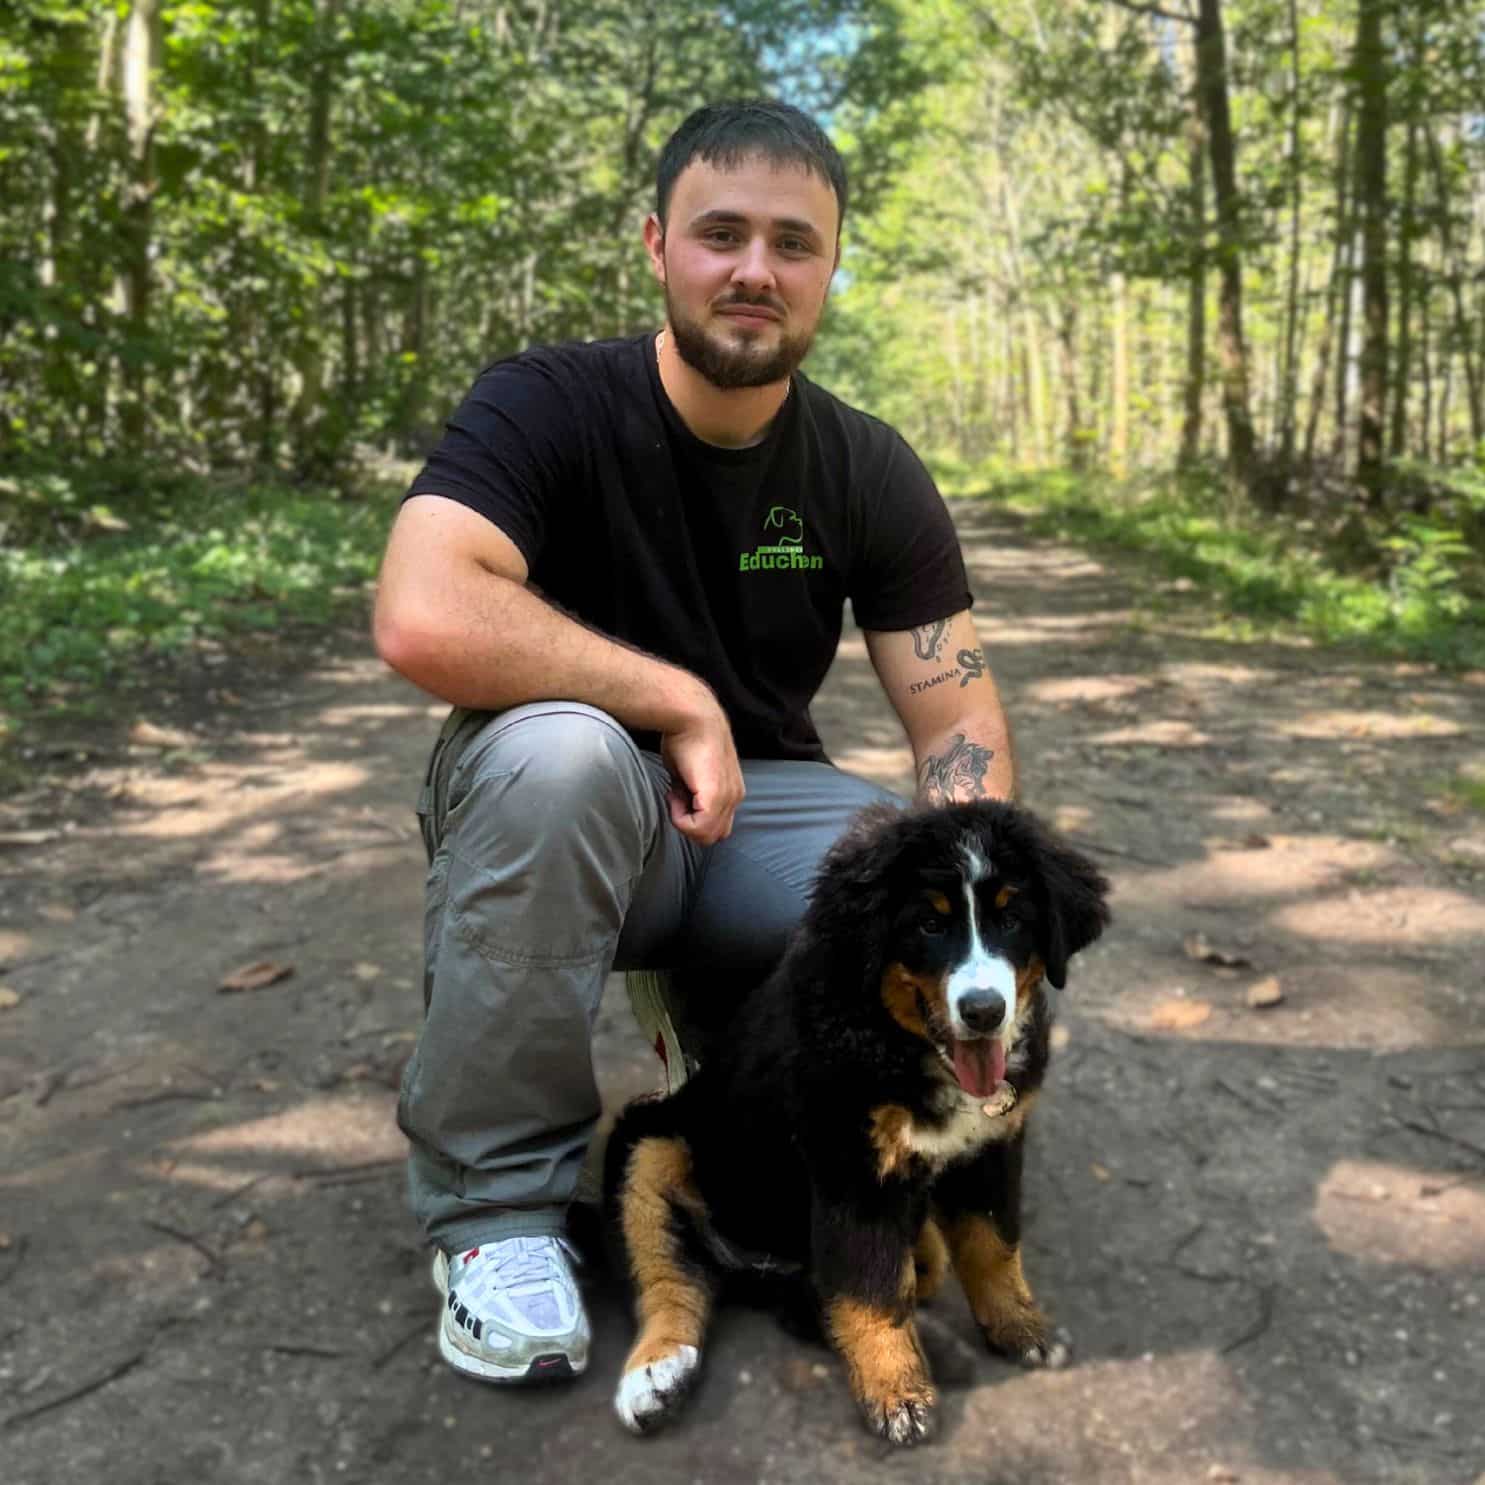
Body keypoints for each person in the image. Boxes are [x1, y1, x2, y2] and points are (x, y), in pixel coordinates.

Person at [372, 98, 1016, 1386]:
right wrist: (677, 699)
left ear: (831, 269)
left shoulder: (867, 466)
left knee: (889, 867)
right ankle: (495, 1212)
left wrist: (993, 943)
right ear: (659, 244)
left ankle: (750, 1094)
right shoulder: (546, 403)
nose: (755, 271)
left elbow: (955, 720)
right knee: (564, 759)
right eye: (722, 234)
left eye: (794, 243)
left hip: (747, 819)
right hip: (554, 805)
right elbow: (422, 608)